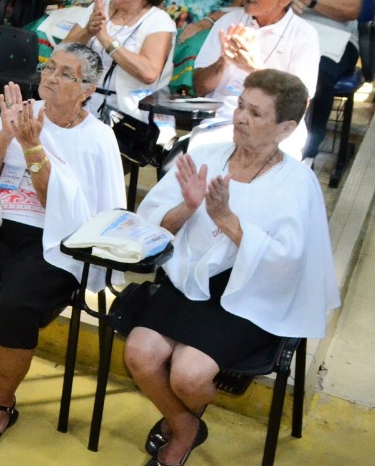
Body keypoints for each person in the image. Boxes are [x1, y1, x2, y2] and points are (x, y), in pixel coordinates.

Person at [126, 70, 338, 466]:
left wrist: (225, 217)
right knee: (139, 353)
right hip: (190, 278)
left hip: (252, 296)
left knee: (188, 374)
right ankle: (186, 424)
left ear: (286, 128)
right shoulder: (206, 154)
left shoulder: (297, 183)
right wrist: (188, 207)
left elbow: (288, 263)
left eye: (257, 114)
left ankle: (180, 426)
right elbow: (150, 229)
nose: (241, 117)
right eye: (241, 106)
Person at [0, 44, 125, 449]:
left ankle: (1, 404)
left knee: (15, 304)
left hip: (56, 241)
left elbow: (75, 215)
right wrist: (5, 132)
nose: (50, 77)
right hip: (2, 223)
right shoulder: (23, 113)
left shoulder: (98, 138)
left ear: (88, 89)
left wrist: (33, 147)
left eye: (66, 74)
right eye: (50, 67)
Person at [192, 0, 319, 157]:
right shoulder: (228, 22)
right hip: (224, 121)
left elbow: (299, 103)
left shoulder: (304, 35)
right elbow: (200, 88)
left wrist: (255, 68)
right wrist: (224, 60)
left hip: (275, 129)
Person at [270, 0, 363, 156]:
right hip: (282, 30)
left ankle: (307, 151)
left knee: (315, 75)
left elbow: (351, 7)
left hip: (333, 37)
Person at [64, 0, 175, 122]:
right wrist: (88, 31)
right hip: (82, 104)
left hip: (131, 116)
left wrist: (105, 38)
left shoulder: (159, 20)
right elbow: (61, 53)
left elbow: (148, 73)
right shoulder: (99, 8)